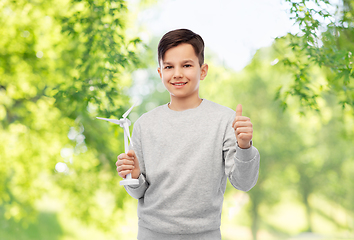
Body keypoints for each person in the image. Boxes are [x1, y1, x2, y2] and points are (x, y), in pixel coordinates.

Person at [116, 28, 260, 240]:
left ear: (202, 70)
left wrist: (245, 146)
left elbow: (244, 183)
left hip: (204, 234)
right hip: (151, 234)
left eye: (186, 65)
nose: (177, 73)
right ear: (160, 73)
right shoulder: (144, 125)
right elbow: (138, 192)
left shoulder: (225, 121)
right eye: (169, 66)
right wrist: (134, 176)